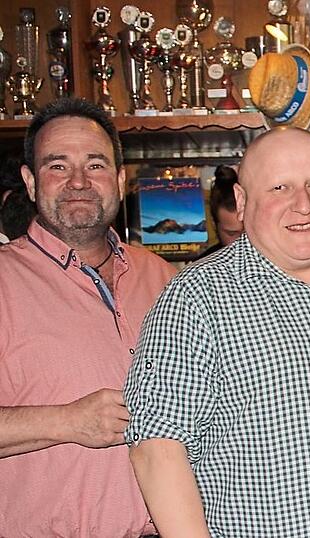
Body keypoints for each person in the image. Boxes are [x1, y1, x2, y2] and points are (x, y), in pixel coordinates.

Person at [124, 128, 310, 537]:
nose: (303, 204)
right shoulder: (196, 298)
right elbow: (157, 448)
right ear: (242, 202)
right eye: (280, 187)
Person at [0, 97, 177, 536]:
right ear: (30, 180)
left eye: (95, 165)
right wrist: (66, 420)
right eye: (58, 166)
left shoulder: (164, 278)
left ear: (119, 179)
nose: (79, 181)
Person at [197, 164, 243, 257]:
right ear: (214, 225)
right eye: (232, 234)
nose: (243, 242)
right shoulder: (203, 269)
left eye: (249, 232)